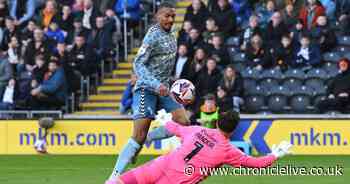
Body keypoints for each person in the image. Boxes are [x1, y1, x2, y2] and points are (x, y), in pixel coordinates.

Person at [106, 3, 191, 181]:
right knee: (138, 135)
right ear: (157, 16)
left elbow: (162, 63)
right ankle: (114, 178)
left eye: (173, 16)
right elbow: (138, 63)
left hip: (164, 88)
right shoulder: (152, 36)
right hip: (146, 89)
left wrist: (170, 81)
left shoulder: (172, 36)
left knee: (183, 122)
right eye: (167, 16)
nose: (170, 19)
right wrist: (154, 83)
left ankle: (150, 138)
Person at [106, 111, 292, 184]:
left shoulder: (197, 130)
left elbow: (177, 128)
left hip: (160, 165)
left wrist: (165, 119)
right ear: (234, 129)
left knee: (119, 182)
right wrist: (275, 154)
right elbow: (256, 164)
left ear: (217, 122)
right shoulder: (228, 151)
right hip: (177, 181)